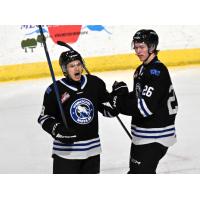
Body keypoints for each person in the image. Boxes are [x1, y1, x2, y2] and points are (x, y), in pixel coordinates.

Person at [38, 49, 118, 174]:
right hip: (66, 154)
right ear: (65, 69)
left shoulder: (94, 83)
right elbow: (44, 118)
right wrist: (57, 129)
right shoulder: (54, 89)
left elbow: (108, 110)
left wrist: (116, 100)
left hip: (92, 151)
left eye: (78, 64)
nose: (76, 69)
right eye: (72, 66)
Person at [111, 29, 178, 174]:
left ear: (152, 47)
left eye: (141, 47)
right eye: (136, 47)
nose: (138, 51)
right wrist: (121, 95)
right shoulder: (141, 70)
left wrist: (118, 102)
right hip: (145, 135)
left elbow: (144, 107)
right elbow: (139, 96)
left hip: (154, 136)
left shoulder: (156, 71)